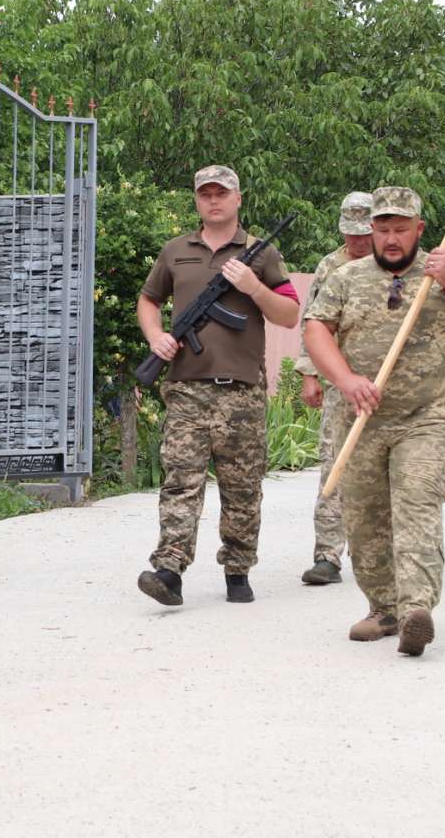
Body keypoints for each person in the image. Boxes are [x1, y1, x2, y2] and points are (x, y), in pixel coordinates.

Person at [302, 186, 445, 655]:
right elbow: (315, 330)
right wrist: (346, 380)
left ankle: (416, 610)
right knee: (365, 516)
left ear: (420, 230)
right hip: (361, 419)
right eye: (383, 228)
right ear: (371, 229)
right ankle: (383, 609)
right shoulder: (346, 277)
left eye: (401, 229)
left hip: (424, 419)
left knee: (416, 504)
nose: (391, 238)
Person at [136, 165, 299, 606]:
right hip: (186, 387)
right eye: (205, 194)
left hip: (242, 389)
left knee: (242, 486)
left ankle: (238, 569)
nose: (214, 200)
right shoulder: (176, 251)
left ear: (238, 198)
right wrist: (157, 337)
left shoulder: (260, 253)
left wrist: (252, 288)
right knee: (180, 481)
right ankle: (169, 569)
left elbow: (288, 313)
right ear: (197, 200)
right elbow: (149, 300)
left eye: (221, 193)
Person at [297, 192, 376, 587]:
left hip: (388, 383)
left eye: (364, 234)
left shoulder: (399, 263)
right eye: (351, 234)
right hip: (339, 381)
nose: (358, 242)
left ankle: (384, 549)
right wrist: (309, 374)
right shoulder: (331, 265)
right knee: (334, 464)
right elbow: (312, 323)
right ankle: (327, 554)